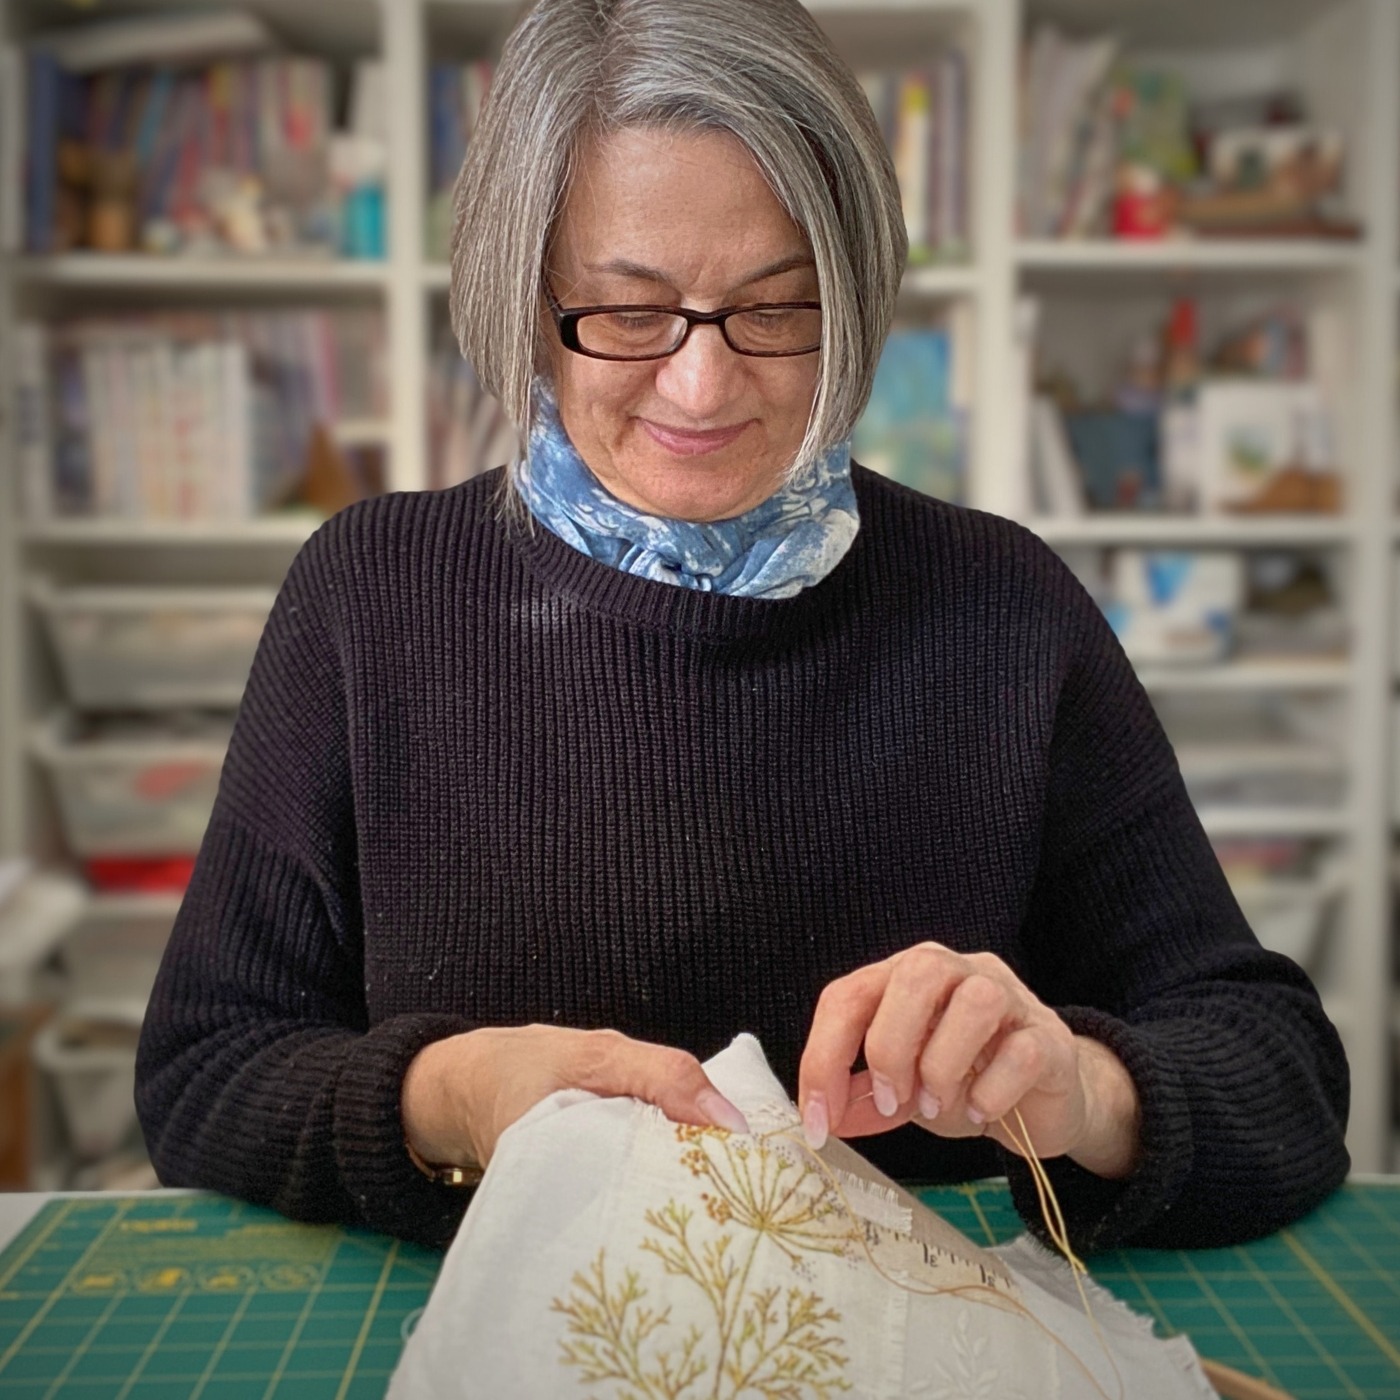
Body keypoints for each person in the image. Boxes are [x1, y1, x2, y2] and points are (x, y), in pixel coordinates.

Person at [136, 0, 1349, 1254]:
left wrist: (1089, 1090)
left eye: (776, 307)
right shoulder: (369, 592)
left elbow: (1282, 1077)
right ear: (526, 297)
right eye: (626, 312)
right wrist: (447, 1099)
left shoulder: (1004, 606)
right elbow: (205, 1069)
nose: (702, 385)